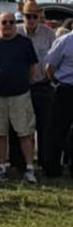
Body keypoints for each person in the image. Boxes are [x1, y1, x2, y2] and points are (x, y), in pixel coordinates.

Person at [0, 12, 39, 184]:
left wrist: (22, 85)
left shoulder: (25, 43)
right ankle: (1, 167)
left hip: (20, 95)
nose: (7, 25)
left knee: (25, 133)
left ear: (16, 24)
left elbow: (33, 69)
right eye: (4, 22)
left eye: (11, 22)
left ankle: (30, 169)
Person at [17, 1, 56, 170]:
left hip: (42, 85)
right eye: (28, 16)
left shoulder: (49, 34)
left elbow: (55, 58)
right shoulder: (16, 32)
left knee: (45, 126)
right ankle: (20, 162)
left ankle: (44, 162)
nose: (31, 19)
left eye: (34, 16)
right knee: (22, 126)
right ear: (23, 16)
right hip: (21, 86)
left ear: (40, 15)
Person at [44, 30, 73, 177]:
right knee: (57, 131)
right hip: (65, 90)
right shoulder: (64, 41)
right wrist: (56, 83)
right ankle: (53, 169)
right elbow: (50, 67)